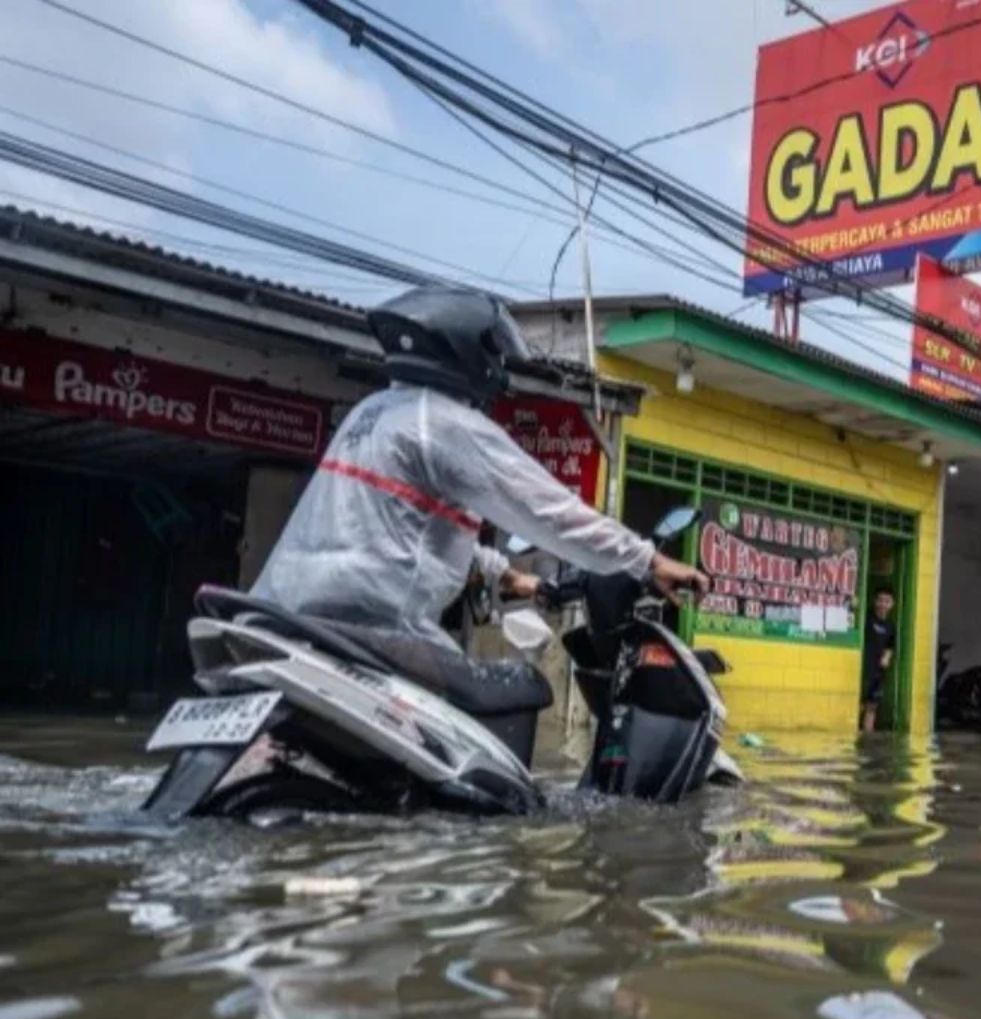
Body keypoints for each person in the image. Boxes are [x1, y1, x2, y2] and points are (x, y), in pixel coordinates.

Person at [252, 286, 709, 723]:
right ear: (466, 352)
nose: (499, 368)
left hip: (284, 616)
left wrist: (508, 575)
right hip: (373, 632)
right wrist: (647, 560)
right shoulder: (447, 423)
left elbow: (399, 529)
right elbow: (552, 515)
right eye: (493, 352)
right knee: (516, 693)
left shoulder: (373, 412)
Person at [859, 586, 897, 732]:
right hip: (863, 669)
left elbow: (890, 646)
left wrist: (887, 657)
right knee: (860, 704)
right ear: (875, 601)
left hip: (878, 672)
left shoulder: (891, 626)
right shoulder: (866, 619)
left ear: (892, 604)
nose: (883, 604)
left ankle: (868, 736)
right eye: (880, 600)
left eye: (887, 601)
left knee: (872, 706)